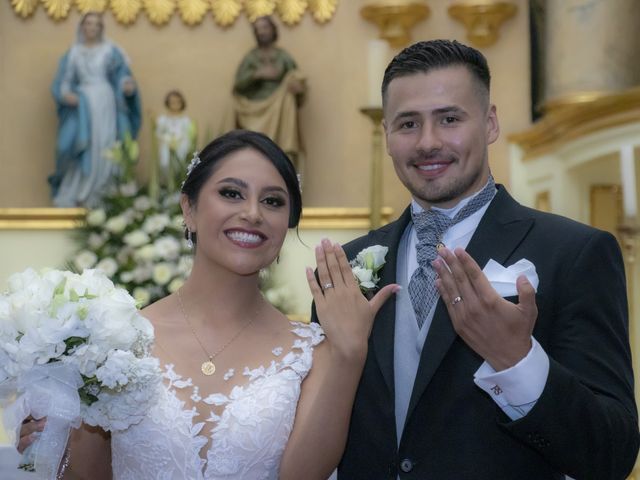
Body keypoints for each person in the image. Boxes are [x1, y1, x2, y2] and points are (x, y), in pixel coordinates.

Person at [317, 40, 640, 479]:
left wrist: (518, 360)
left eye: (449, 119)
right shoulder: (347, 266)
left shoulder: (574, 253)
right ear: (387, 137)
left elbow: (610, 455)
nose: (428, 142)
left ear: (489, 124)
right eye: (407, 124)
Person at [18, 130, 398, 479]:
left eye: (272, 201)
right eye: (231, 193)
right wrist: (49, 438)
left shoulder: (314, 353)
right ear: (189, 208)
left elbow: (301, 475)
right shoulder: (112, 345)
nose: (253, 213)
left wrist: (349, 353)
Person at [49, 12, 141, 208]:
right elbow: (64, 80)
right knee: (72, 145)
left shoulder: (111, 51)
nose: (92, 27)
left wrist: (126, 85)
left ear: (101, 28)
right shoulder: (73, 53)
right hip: (82, 105)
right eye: (88, 23)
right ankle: (79, 191)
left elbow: (122, 74)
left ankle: (103, 191)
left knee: (106, 145)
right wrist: (66, 94)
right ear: (82, 26)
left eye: (96, 24)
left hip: (106, 103)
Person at [223, 16, 306, 172]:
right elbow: (238, 86)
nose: (262, 32)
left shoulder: (283, 57)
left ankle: (285, 159)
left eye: (265, 27)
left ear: (273, 30)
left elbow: (298, 81)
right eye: (258, 29)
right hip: (254, 109)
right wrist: (257, 74)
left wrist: (297, 89)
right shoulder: (251, 58)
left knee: (288, 97)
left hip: (280, 109)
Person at [154, 90, 196, 191]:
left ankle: (178, 188)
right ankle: (166, 187)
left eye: (178, 102)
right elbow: (159, 133)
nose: (175, 104)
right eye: (172, 102)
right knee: (165, 164)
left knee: (180, 167)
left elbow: (189, 136)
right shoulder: (162, 120)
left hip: (181, 147)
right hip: (167, 147)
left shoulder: (186, 121)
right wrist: (168, 140)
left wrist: (181, 143)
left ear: (182, 103)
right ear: (167, 103)